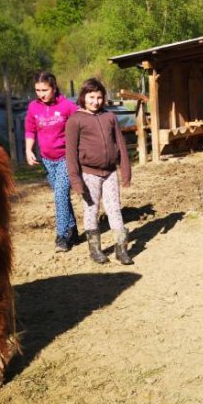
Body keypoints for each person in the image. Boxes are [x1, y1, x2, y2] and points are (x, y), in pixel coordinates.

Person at [65, 78, 133, 265]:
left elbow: (121, 145)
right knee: (91, 210)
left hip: (110, 172)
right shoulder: (75, 120)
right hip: (89, 174)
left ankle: (121, 249)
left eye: (99, 97)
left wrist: (125, 171)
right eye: (91, 97)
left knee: (114, 209)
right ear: (83, 97)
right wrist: (76, 182)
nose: (95, 101)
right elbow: (70, 154)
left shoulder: (109, 117)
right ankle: (95, 250)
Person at [25, 71, 79, 252]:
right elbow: (30, 130)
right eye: (37, 90)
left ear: (54, 88)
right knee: (61, 195)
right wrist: (28, 149)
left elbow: (82, 120)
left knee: (59, 194)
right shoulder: (33, 107)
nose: (41, 94)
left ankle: (62, 235)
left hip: (66, 157)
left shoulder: (66, 106)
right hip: (47, 160)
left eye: (44, 90)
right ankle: (72, 229)